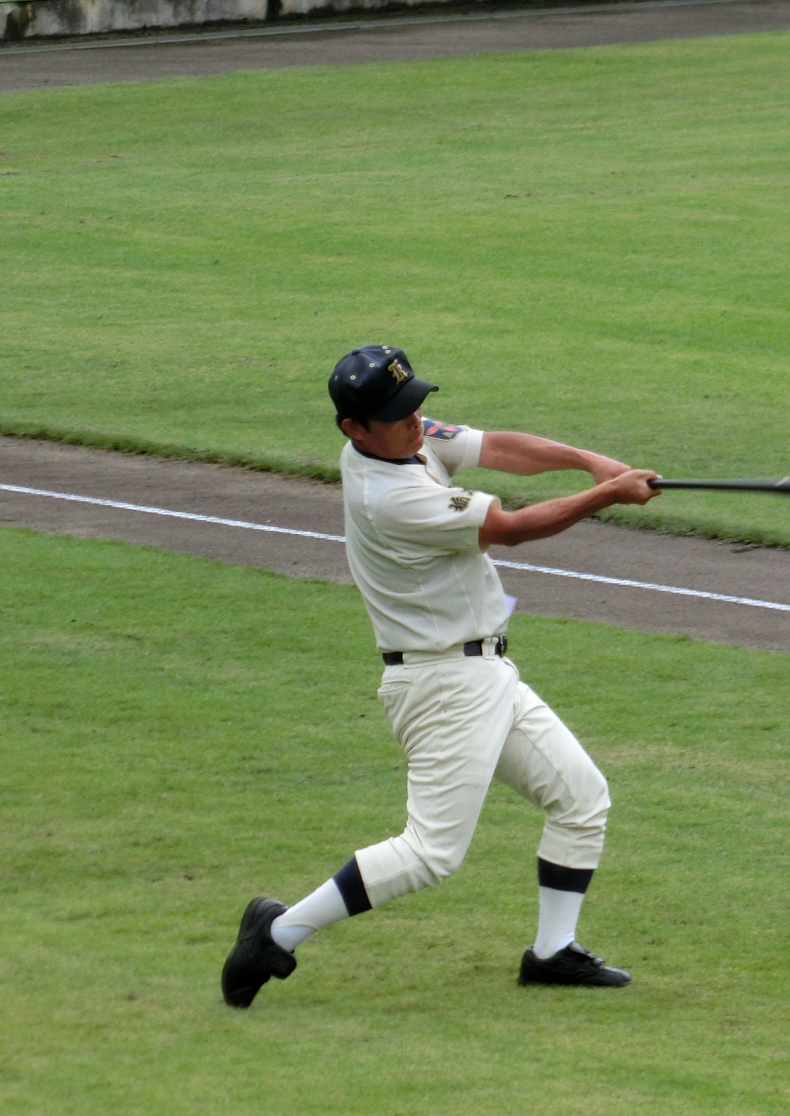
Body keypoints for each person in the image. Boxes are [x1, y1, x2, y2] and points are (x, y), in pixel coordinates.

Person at [222, 344, 660, 1006]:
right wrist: (607, 494)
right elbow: (510, 529)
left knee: (581, 798)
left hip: (483, 673)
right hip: (443, 686)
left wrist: (589, 460)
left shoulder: (399, 438)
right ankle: (276, 935)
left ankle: (552, 953)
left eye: (414, 404)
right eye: (397, 413)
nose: (415, 420)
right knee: (430, 854)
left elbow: (498, 447)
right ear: (354, 428)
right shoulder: (391, 497)